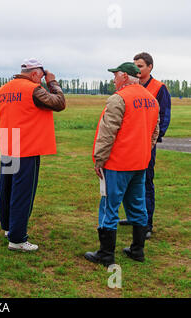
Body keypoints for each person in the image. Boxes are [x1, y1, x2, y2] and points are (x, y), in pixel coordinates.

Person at [85, 62, 160, 266]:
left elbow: (107, 133)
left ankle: (105, 255)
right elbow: (154, 132)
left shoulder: (119, 98)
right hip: (140, 163)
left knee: (109, 206)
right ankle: (137, 250)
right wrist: (142, 149)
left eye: (115, 76)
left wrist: (99, 159)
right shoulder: (151, 99)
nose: (113, 80)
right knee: (138, 206)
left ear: (125, 77)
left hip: (117, 164)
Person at [0, 58, 66, 252]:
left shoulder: (3, 90)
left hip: (9, 145)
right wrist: (53, 82)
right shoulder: (33, 89)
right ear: (34, 74)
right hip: (27, 148)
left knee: (7, 189)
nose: (42, 80)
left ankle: (9, 228)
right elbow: (59, 103)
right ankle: (17, 239)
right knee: (23, 192)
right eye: (41, 76)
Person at [119, 53, 172, 240]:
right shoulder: (130, 86)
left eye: (140, 65)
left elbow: (164, 117)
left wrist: (152, 140)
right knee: (127, 182)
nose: (137, 69)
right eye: (135, 66)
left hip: (146, 145)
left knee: (145, 182)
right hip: (127, 144)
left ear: (150, 67)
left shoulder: (159, 88)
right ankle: (133, 217)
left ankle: (146, 223)